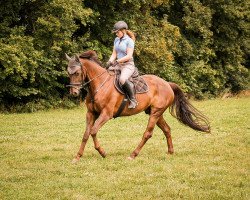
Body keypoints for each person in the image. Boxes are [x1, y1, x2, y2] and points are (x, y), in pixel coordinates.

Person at [106, 21, 138, 109]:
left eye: (117, 32)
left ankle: (133, 99)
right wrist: (109, 62)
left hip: (128, 64)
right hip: (118, 64)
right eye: (115, 32)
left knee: (122, 79)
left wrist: (117, 61)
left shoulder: (129, 41)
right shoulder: (116, 40)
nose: (116, 34)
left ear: (123, 31)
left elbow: (129, 56)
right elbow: (114, 54)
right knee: (106, 74)